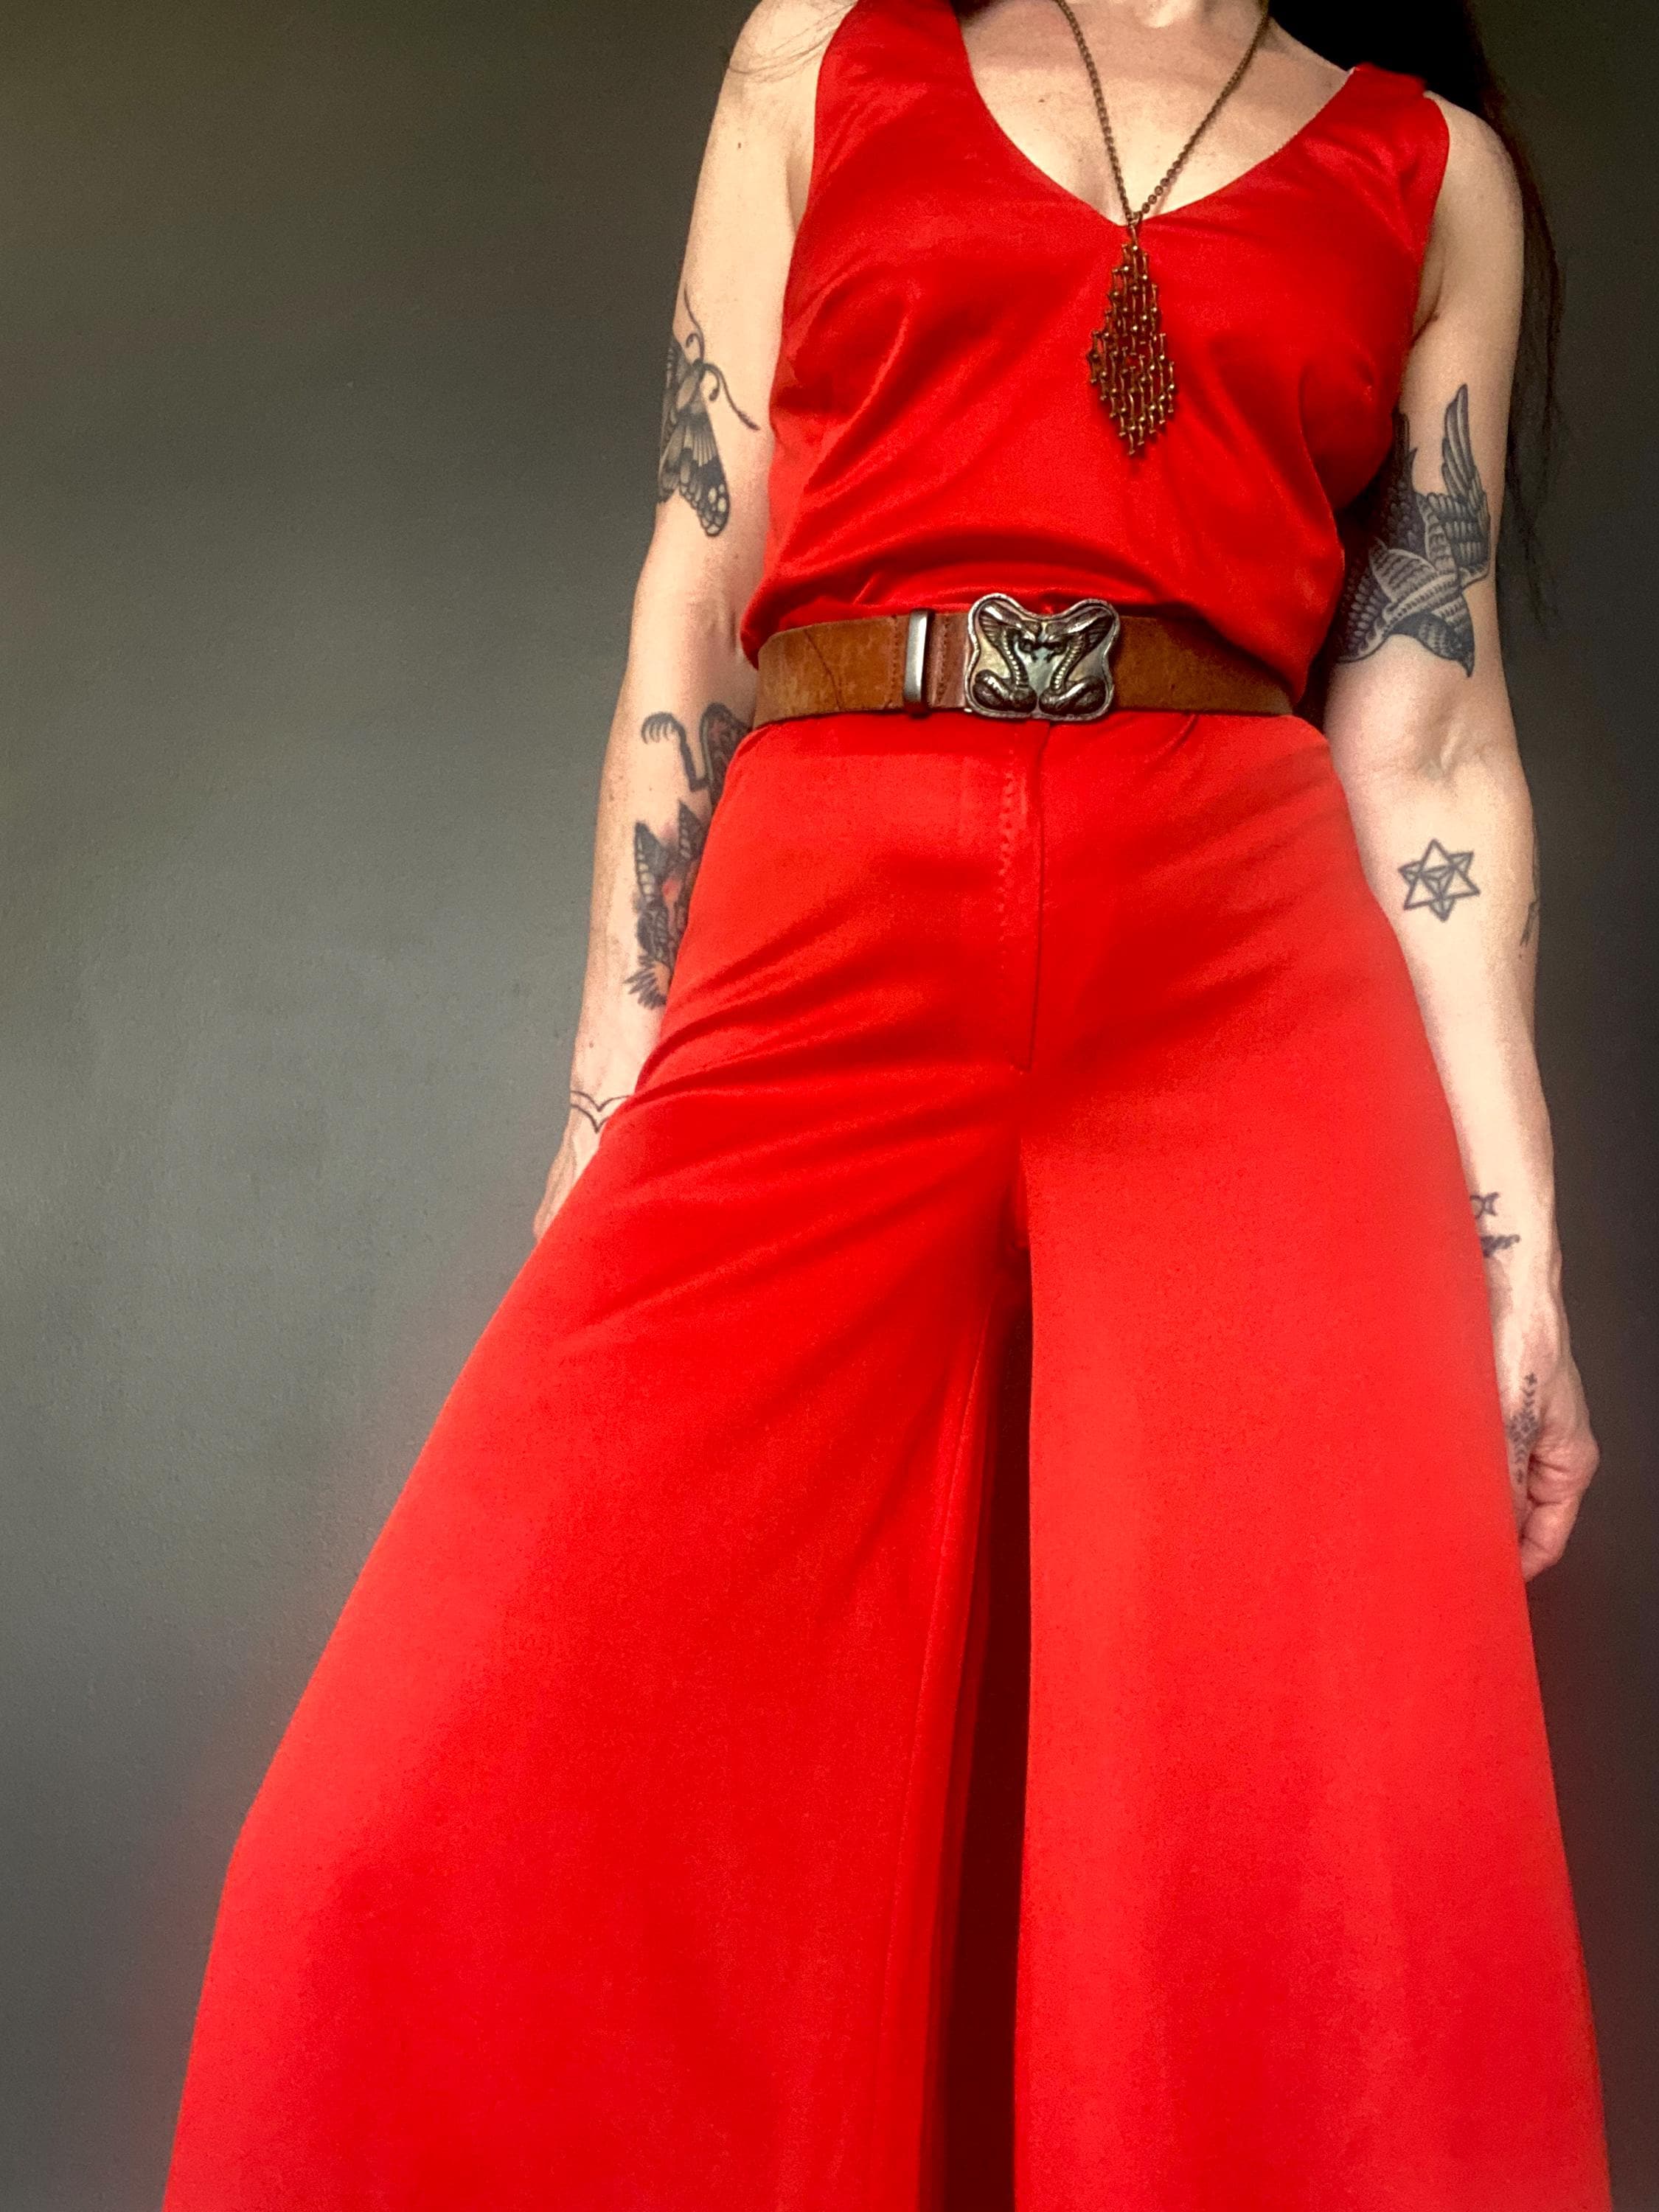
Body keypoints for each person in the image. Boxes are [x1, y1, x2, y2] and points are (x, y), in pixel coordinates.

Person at [161, 1, 1613, 2205]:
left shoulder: (1427, 176)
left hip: (1239, 971)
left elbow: (1428, 735)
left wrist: (1521, 1249)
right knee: (397, 1816)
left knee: (1292, 1837)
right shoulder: (823, 57)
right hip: (825, 914)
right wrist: (607, 1101)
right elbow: (693, 604)